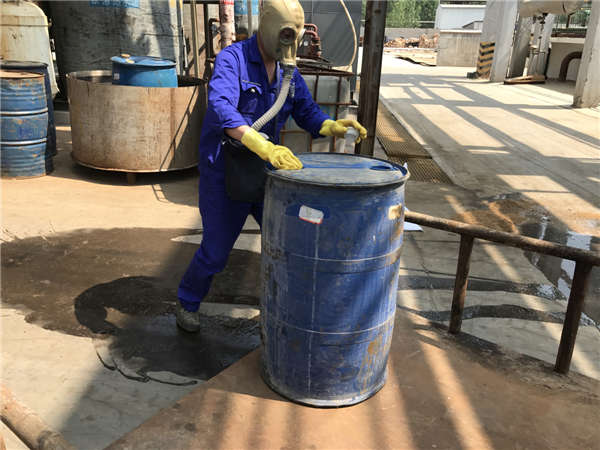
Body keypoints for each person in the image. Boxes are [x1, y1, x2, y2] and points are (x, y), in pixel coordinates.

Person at [176, 0, 367, 331]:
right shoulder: (232, 60)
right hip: (226, 171)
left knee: (287, 242)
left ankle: (286, 306)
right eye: (285, 35)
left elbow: (306, 111)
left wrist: (332, 126)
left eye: (295, 37)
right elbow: (221, 107)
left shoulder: (286, 73)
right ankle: (187, 302)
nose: (289, 45)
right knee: (216, 250)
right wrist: (259, 143)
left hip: (266, 173)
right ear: (267, 26)